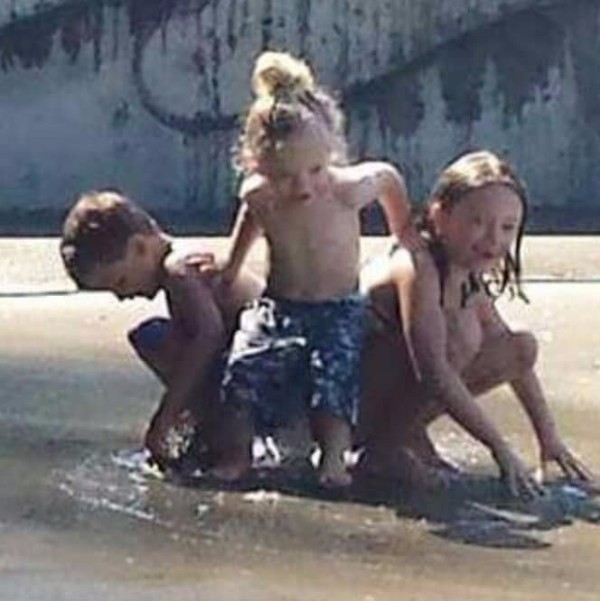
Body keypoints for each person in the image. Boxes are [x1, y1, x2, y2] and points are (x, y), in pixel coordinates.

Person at [211, 50, 413, 486]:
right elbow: (251, 222)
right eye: (286, 176)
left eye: (316, 169)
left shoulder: (346, 190)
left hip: (338, 306)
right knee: (243, 370)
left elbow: (388, 177)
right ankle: (236, 455)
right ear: (257, 164)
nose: (303, 186)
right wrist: (230, 267)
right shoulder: (259, 194)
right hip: (279, 305)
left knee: (333, 377)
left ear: (331, 154)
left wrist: (404, 233)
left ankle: (334, 458)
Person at [357, 149, 596, 497]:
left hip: (382, 392)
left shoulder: (462, 267)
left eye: (507, 228)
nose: (493, 239)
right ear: (439, 216)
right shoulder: (418, 266)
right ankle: (384, 448)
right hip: (347, 405)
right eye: (478, 223)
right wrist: (499, 447)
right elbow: (432, 370)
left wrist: (549, 438)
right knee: (458, 338)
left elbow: (513, 353)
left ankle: (404, 434)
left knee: (519, 346)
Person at [59, 190, 263, 469]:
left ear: (140, 247)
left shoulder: (178, 270)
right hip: (244, 364)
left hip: (266, 370)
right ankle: (209, 428)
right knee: (150, 336)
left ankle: (229, 448)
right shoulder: (175, 268)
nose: (122, 296)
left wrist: (166, 416)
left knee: (164, 342)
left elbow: (209, 336)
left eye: (120, 282)